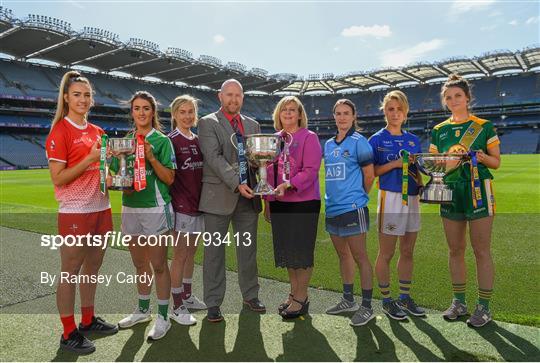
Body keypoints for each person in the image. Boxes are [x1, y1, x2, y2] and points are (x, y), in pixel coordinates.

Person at [45, 71, 118, 354]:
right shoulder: (60, 132)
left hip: (102, 208)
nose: (83, 100)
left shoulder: (98, 132)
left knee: (93, 268)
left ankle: (87, 320)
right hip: (75, 211)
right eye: (77, 94)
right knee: (71, 272)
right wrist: (89, 158)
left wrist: (110, 176)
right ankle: (68, 331)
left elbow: (103, 173)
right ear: (66, 97)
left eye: (87, 95)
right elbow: (59, 178)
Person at [430, 74, 501, 328]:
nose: (453, 100)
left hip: (478, 190)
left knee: (481, 250)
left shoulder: (484, 126)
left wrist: (481, 157)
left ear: (467, 98)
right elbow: (436, 165)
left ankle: (484, 307)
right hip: (451, 191)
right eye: (448, 97)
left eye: (457, 95)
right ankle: (459, 302)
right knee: (455, 249)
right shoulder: (439, 130)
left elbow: (496, 162)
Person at [197, 79, 265, 323]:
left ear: (243, 98)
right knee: (214, 253)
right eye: (229, 95)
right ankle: (213, 302)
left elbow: (257, 158)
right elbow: (214, 159)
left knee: (248, 252)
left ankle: (251, 295)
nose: (233, 99)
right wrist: (238, 182)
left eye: (238, 95)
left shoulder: (253, 124)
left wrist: (260, 163)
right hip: (219, 197)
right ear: (220, 96)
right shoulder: (207, 123)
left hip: (248, 200)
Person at [113, 91, 177, 340]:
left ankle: (163, 316)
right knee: (139, 264)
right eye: (136, 108)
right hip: (131, 208)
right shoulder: (126, 141)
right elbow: (121, 181)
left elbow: (170, 179)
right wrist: (113, 164)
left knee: (158, 265)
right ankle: (142, 310)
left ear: (153, 112)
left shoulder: (162, 141)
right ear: (132, 113)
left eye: (146, 108)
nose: (141, 113)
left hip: (155, 209)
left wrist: (150, 156)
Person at [368, 90, 425, 321]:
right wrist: (393, 164)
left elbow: (418, 169)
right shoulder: (376, 139)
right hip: (390, 198)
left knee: (408, 250)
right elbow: (372, 172)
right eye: (390, 109)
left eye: (399, 109)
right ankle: (387, 300)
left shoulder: (413, 140)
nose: (395, 113)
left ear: (405, 111)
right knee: (387, 252)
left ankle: (404, 297)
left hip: (411, 198)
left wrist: (422, 186)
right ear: (385, 111)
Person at [263, 96, 322, 319]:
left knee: (302, 252)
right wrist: (267, 202)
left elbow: (311, 170)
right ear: (278, 114)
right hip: (279, 203)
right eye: (284, 110)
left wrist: (289, 185)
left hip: (303, 202)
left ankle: (301, 297)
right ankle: (293, 292)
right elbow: (267, 171)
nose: (288, 113)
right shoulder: (273, 139)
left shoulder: (309, 137)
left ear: (299, 114)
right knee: (288, 253)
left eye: (292, 110)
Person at [323, 99, 376, 327]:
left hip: (353, 208)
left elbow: (369, 176)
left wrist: (357, 198)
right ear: (333, 116)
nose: (342, 117)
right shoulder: (327, 144)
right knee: (343, 256)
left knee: (360, 256)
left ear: (354, 117)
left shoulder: (359, 142)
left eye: (346, 113)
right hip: (332, 208)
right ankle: (348, 300)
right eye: (338, 113)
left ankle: (367, 306)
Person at [167, 95, 205, 326]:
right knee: (180, 255)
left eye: (191, 111)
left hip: (198, 206)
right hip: (180, 207)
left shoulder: (198, 140)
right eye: (183, 112)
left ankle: (188, 295)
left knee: (191, 253)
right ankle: (176, 303)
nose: (188, 116)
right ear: (174, 114)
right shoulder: (170, 140)